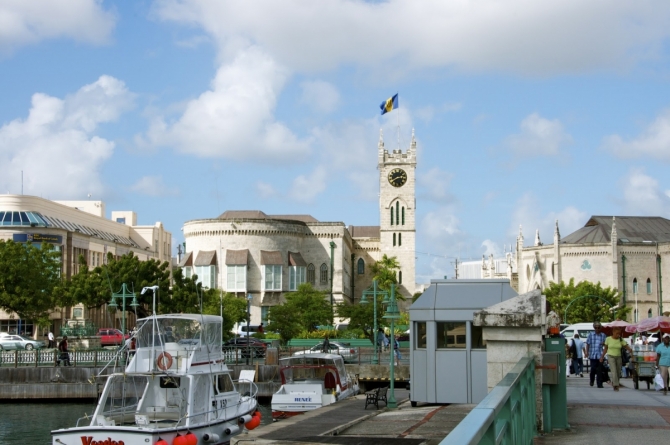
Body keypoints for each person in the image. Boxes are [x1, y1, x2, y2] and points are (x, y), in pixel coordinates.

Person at [600, 327, 633, 391]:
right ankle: (615, 385)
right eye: (617, 333)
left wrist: (630, 350)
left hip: (619, 357)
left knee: (618, 371)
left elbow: (626, 346)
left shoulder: (620, 339)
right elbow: (606, 348)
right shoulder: (608, 339)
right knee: (614, 370)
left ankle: (615, 382)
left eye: (619, 333)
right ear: (613, 332)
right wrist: (602, 356)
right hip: (611, 356)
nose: (618, 335)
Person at [585, 321, 607, 388]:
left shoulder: (603, 335)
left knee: (599, 370)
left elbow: (606, 345)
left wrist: (604, 344)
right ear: (594, 328)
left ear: (600, 328)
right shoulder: (591, 334)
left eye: (598, 327)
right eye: (596, 328)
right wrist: (586, 352)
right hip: (592, 354)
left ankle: (599, 383)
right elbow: (588, 344)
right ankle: (592, 380)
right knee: (593, 369)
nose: (597, 329)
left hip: (600, 355)